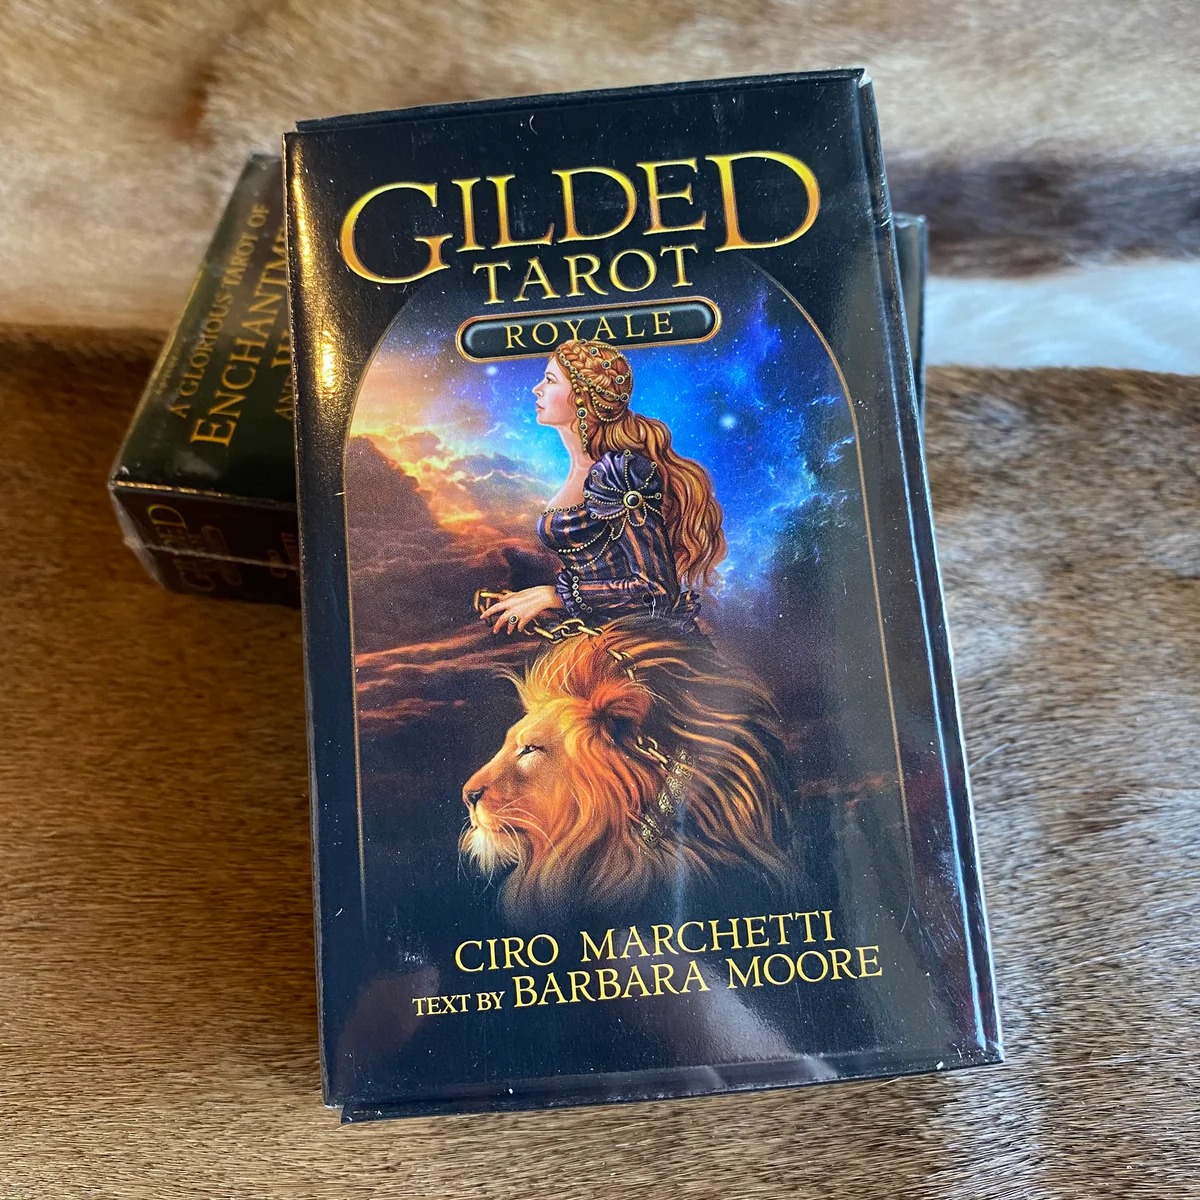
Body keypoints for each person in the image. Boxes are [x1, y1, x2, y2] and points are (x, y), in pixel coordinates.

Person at [480, 338, 725, 636]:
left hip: (642, 640)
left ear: (581, 397)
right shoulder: (583, 471)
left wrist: (555, 596)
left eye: (550, 380)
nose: (537, 389)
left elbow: (656, 590)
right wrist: (537, 602)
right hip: (600, 634)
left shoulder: (618, 474)